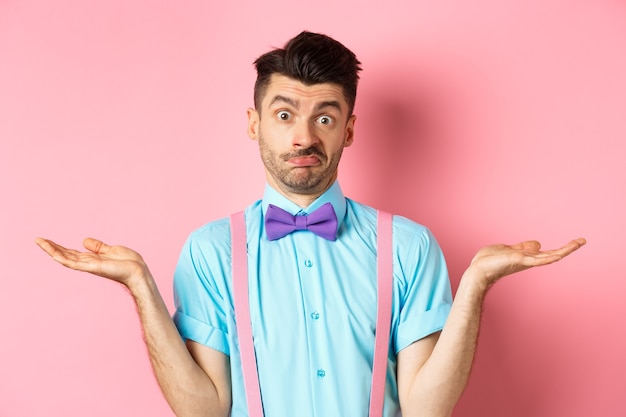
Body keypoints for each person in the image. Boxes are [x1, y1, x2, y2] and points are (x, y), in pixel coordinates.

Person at [35, 31, 586, 417]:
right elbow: (205, 410)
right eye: (284, 115)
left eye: (325, 116)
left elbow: (426, 409)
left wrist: (475, 287)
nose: (303, 136)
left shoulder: (409, 246)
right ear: (254, 125)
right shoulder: (209, 251)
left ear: (348, 129)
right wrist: (141, 286)